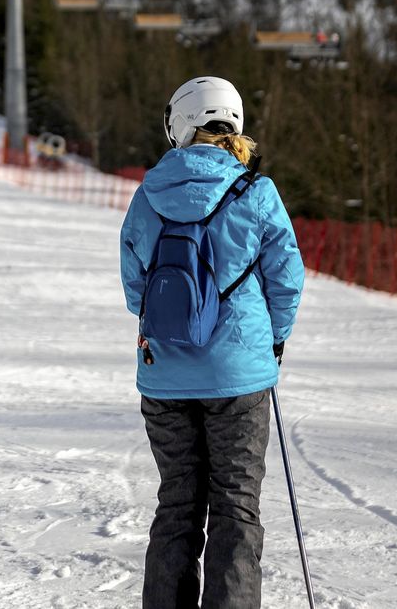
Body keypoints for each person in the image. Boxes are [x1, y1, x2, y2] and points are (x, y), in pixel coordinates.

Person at [119, 76, 304, 607]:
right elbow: (286, 278)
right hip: (238, 376)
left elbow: (136, 289)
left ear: (180, 123)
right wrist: (274, 339)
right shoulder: (257, 191)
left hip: (164, 374)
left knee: (177, 504)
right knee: (236, 505)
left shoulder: (148, 192)